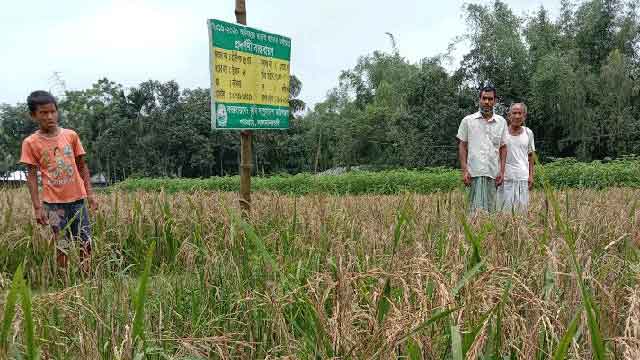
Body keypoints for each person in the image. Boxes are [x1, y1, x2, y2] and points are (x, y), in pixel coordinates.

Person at [19, 90, 98, 272]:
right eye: (43, 113)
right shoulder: (31, 142)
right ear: (33, 115)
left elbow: (82, 166)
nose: (50, 116)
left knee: (86, 242)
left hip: (78, 201)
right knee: (61, 243)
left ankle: (88, 281)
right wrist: (38, 207)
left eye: (53, 111)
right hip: (53, 205)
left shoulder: (70, 136)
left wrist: (90, 195)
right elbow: (31, 175)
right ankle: (64, 283)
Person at [456, 84, 507, 213]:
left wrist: (501, 171)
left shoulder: (501, 122)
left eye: (490, 99)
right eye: (484, 98)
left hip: (493, 173)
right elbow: (462, 145)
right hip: (474, 173)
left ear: (495, 101)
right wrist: (464, 171)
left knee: (492, 211)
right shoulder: (468, 120)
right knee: (473, 212)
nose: (487, 102)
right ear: (479, 99)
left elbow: (503, 147)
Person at [497, 103, 535, 213]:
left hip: (522, 178)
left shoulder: (528, 133)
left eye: (520, 113)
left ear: (524, 116)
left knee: (521, 212)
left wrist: (531, 175)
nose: (517, 116)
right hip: (505, 179)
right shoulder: (502, 133)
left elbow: (531, 156)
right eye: (514, 113)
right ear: (509, 115)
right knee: (503, 212)